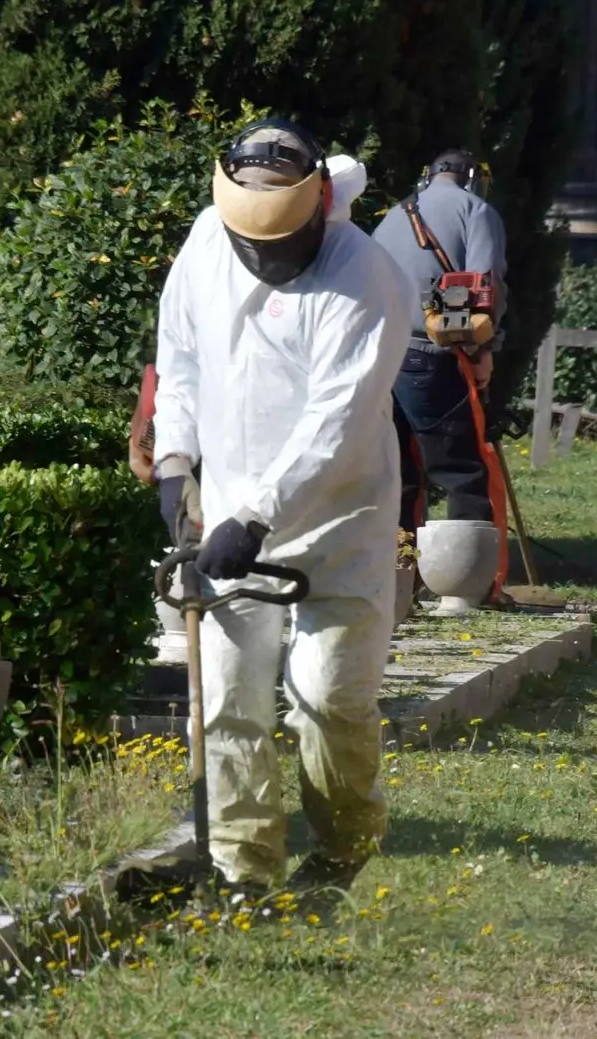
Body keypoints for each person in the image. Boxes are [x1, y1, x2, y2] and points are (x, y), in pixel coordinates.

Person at [151, 119, 412, 892]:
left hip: (341, 520)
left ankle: (344, 853)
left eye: (278, 246)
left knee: (329, 698)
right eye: (248, 244)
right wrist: (174, 461)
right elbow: (183, 353)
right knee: (228, 699)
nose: (261, 260)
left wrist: (255, 514)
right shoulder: (206, 239)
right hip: (230, 518)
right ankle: (244, 870)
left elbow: (336, 420)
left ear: (318, 208)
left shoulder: (367, 278)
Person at [371, 149, 508, 545]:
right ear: (471, 178)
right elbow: (484, 287)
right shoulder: (476, 211)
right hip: (433, 356)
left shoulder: (394, 215)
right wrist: (485, 351)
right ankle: (467, 582)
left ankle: (400, 575)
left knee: (398, 474)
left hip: (382, 356)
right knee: (461, 470)